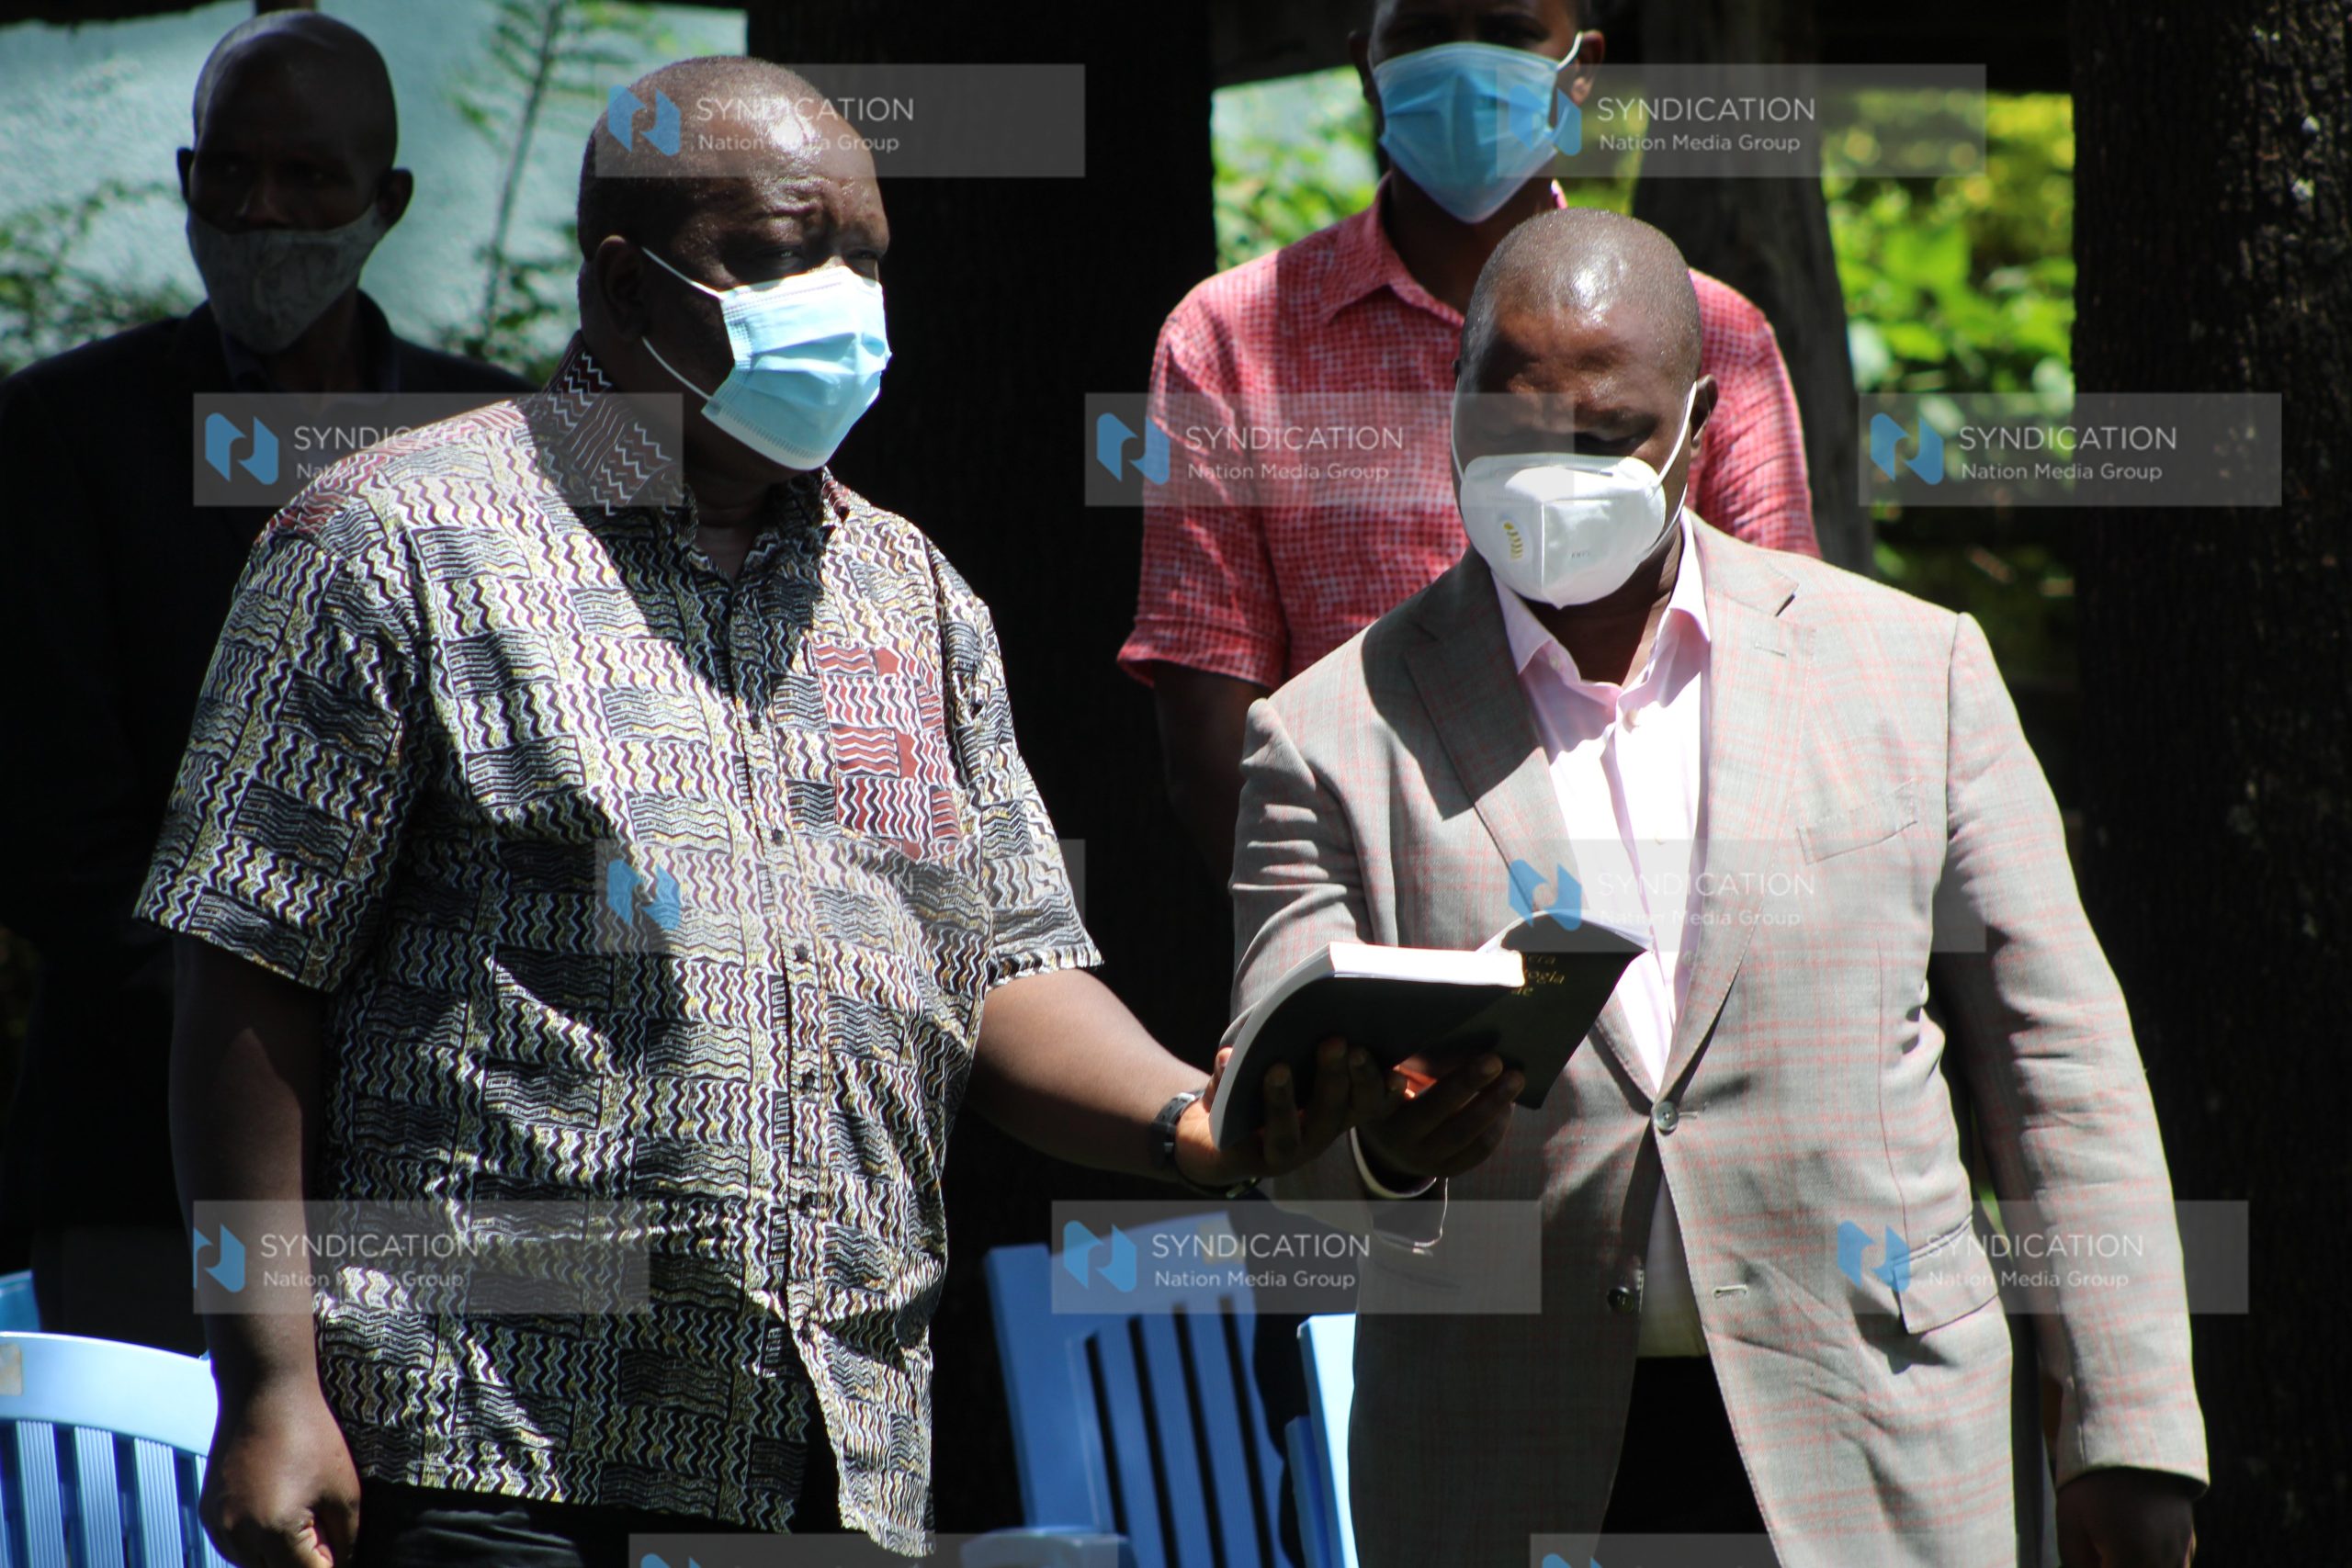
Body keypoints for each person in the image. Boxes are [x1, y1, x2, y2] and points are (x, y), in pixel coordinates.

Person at [141, 57, 1390, 1568]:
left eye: (865, 255)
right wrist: (268, 1377)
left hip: (830, 1457)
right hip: (494, 1454)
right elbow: (246, 970)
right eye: (784, 254)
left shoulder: (912, 595)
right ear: (621, 286)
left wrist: (1200, 1119)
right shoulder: (392, 545)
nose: (845, 299)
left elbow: (1003, 969)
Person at [1237, 209, 2205, 1566]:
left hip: (1877, 1452)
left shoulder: (1914, 673)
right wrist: (1389, 1148)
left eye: (1610, 433)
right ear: (1448, 411)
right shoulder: (1327, 734)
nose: (1558, 477)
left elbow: (2056, 1060)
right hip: (1508, 1471)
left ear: (1697, 426)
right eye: (1515, 433)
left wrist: (2128, 1416)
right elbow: (1288, 1148)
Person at [0, 11, 526, 1354]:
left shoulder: (494, 438)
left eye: (307, 179)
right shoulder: (68, 433)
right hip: (145, 1161)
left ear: (387, 202)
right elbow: (56, 832)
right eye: (227, 175)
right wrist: (272, 1037)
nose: (259, 213)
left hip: (453, 1166)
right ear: (185, 181)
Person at [1126, 0, 1821, 878]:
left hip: (1676, 899)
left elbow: (1785, 660)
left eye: (1505, 29)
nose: (1463, 66)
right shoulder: (1227, 338)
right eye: (1422, 33)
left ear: (1580, 69)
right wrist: (1352, 935)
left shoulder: (1715, 334)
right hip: (1380, 927)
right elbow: (1210, 726)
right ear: (1366, 69)